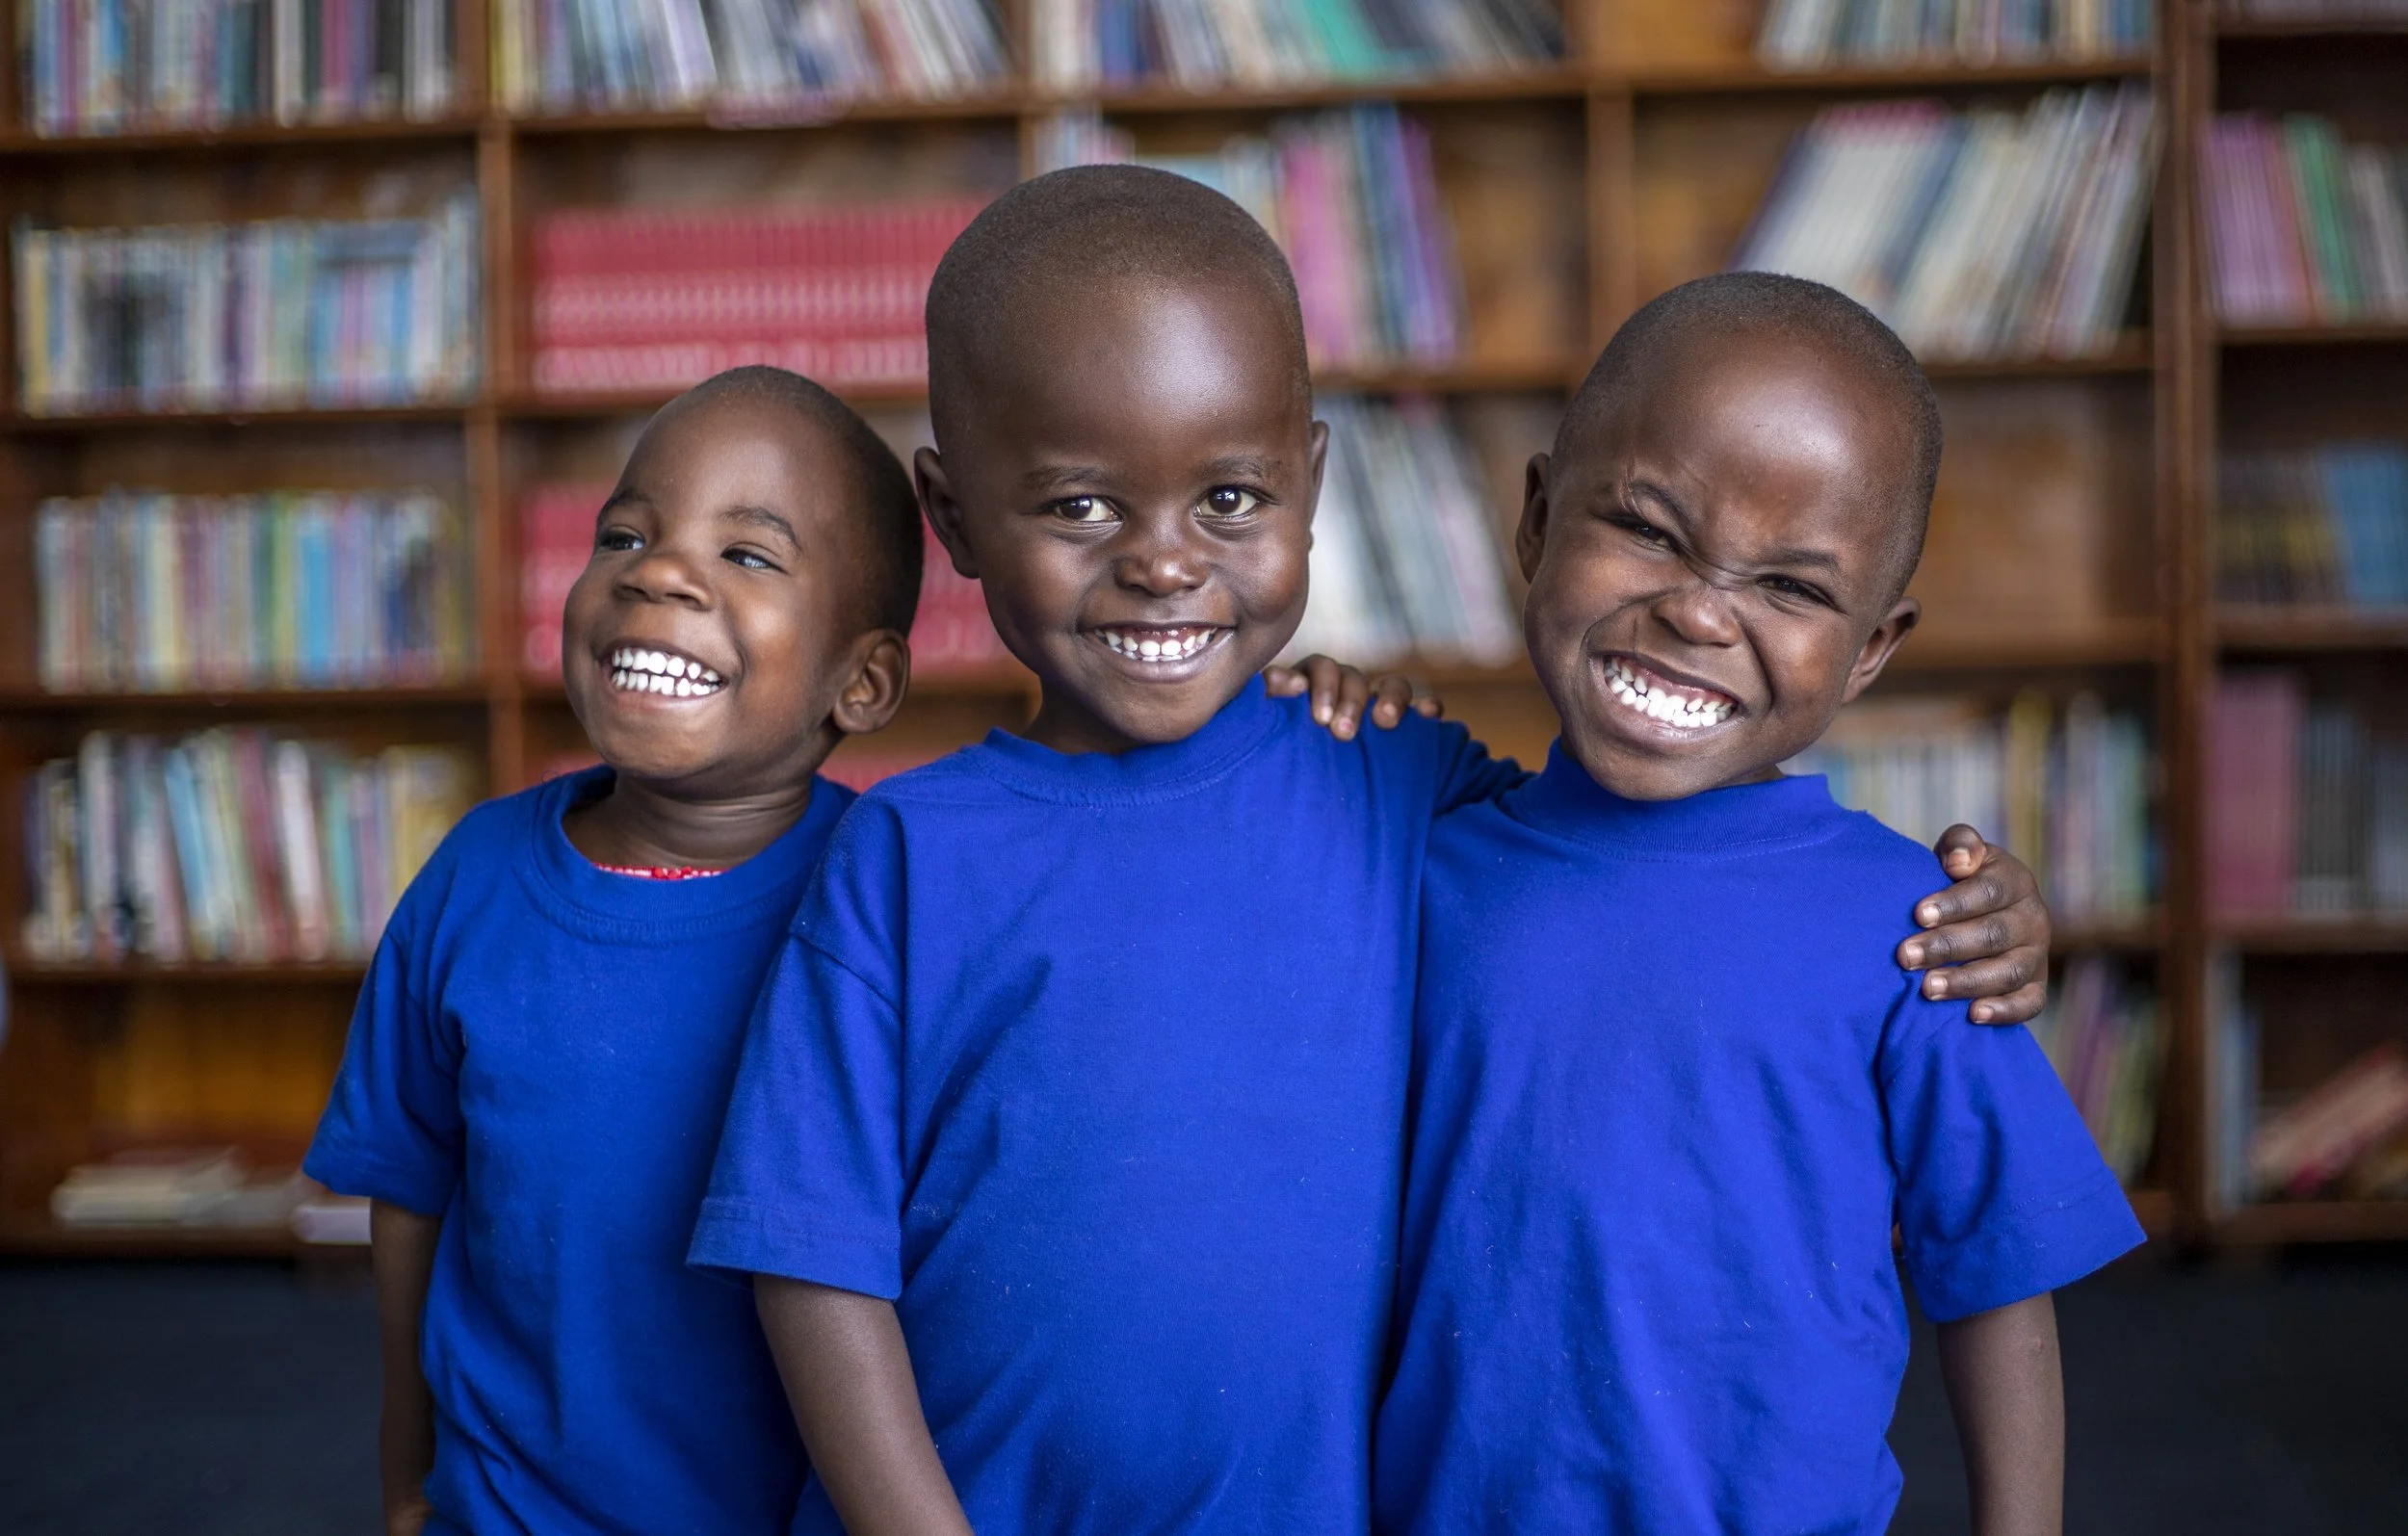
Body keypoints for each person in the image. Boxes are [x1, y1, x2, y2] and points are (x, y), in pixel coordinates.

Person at [689, 170, 2055, 1536]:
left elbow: (1656, 883)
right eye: (1084, 508)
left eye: (1228, 497)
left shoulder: (1398, 785)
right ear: (955, 517)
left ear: (1309, 486)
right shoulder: (912, 854)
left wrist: (1997, 914)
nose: (1165, 564)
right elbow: (808, 1253)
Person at [302, 362, 1418, 1536]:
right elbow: (409, 1206)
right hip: (514, 1508)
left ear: (866, 679)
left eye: (747, 555)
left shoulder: (894, 881)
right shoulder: (471, 882)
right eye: (623, 534)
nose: (659, 571)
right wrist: (405, 1470)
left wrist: (1320, 705)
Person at [1373, 273, 2145, 1536]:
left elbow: (1997, 1276)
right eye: (1648, 526)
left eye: (1792, 587)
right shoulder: (1409, 861)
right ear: (1534, 519)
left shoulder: (1923, 930)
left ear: (1872, 649)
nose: (1697, 607)